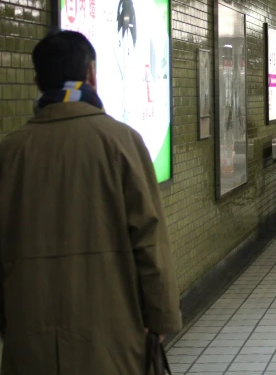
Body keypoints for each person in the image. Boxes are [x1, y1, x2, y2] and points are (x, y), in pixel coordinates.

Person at [0, 31, 182, 374]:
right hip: (111, 334)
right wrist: (159, 318)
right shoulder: (122, 142)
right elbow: (149, 240)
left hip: (30, 336)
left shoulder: (10, 152)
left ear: (38, 82)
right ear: (92, 75)